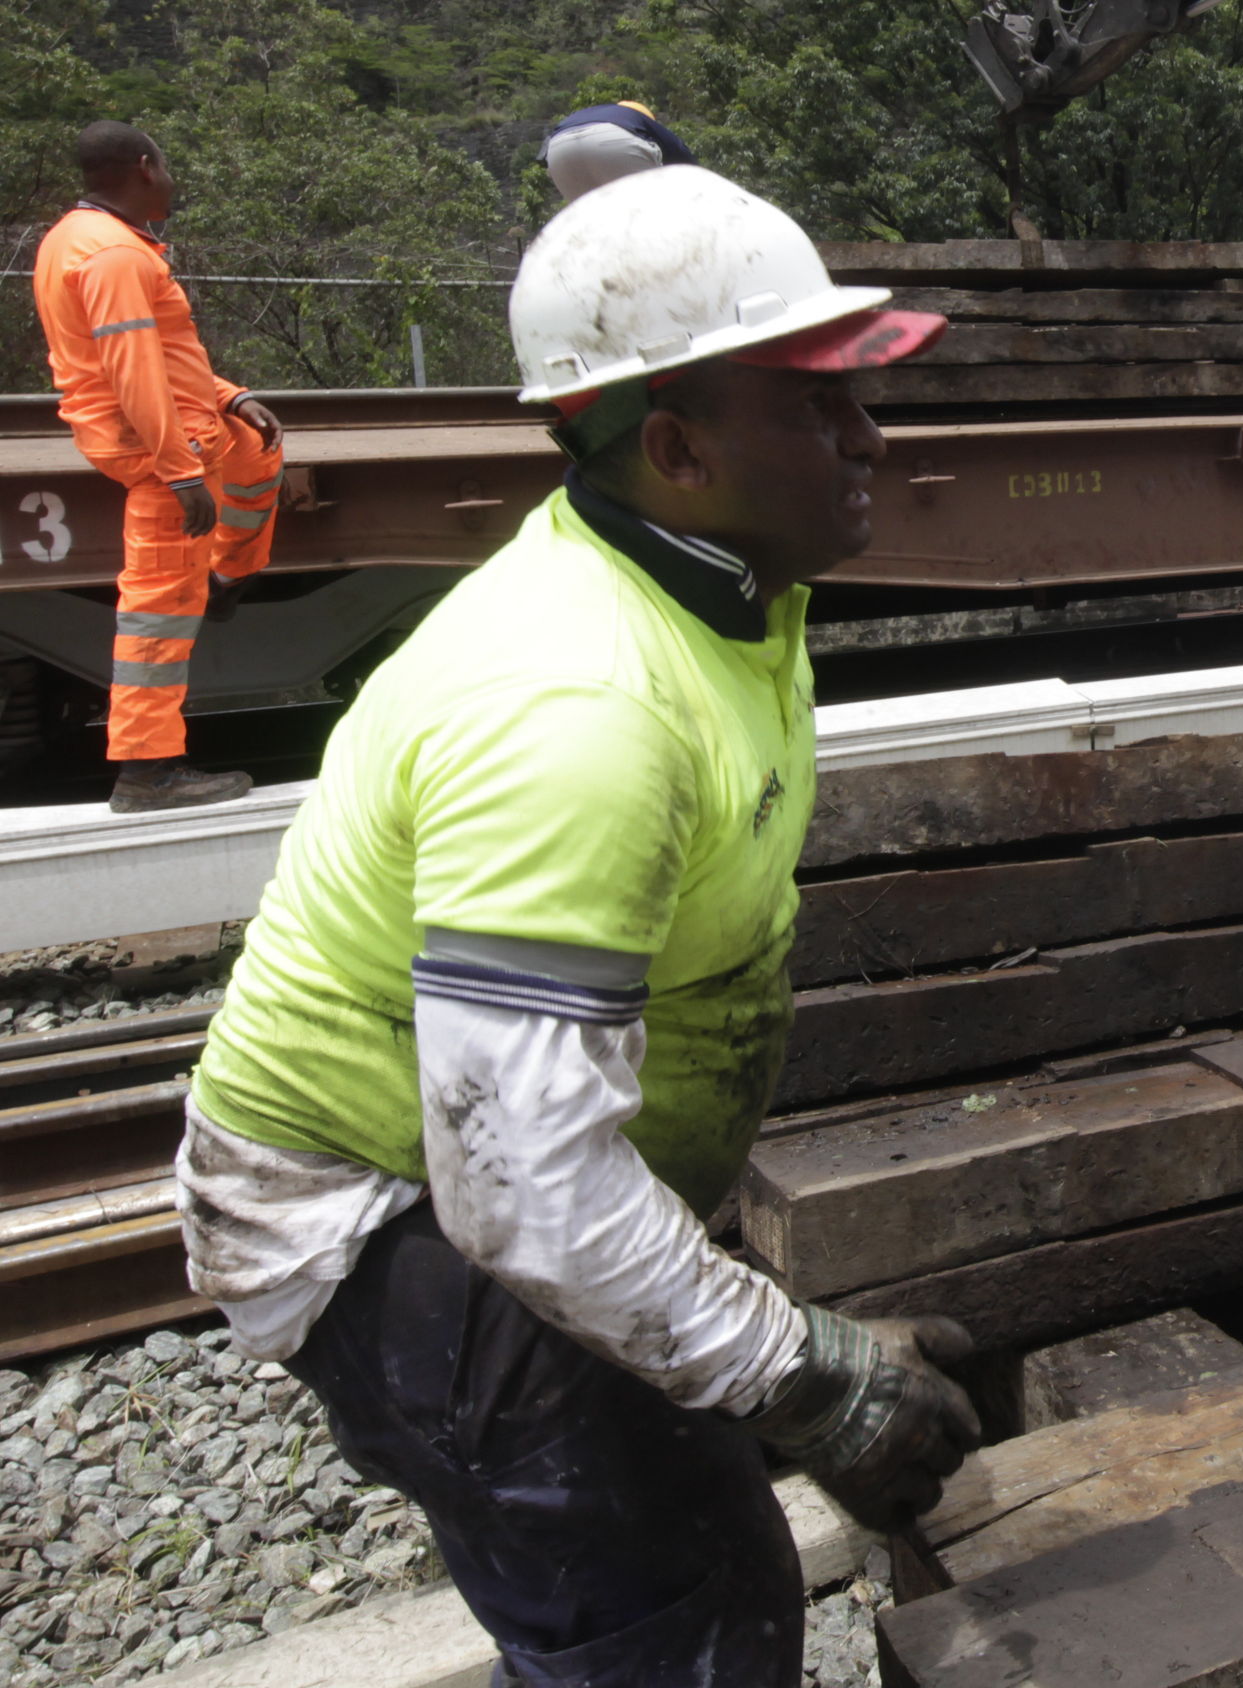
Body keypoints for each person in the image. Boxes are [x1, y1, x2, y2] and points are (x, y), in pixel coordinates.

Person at [174, 167, 976, 1684]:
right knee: (678, 1614)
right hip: (383, 1212)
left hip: (486, 1165)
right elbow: (523, 1191)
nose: (874, 436)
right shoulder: (575, 707)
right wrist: (810, 1378)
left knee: (699, 1537)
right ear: (676, 447)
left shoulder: (727, 585)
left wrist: (749, 1346)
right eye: (820, 407)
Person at [29, 121, 283, 811]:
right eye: (167, 167)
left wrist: (230, 395)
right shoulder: (113, 257)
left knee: (259, 449)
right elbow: (131, 368)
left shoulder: (79, 239)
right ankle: (148, 771)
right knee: (159, 612)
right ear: (145, 168)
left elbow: (161, 352)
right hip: (159, 445)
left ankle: (227, 576)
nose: (172, 180)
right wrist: (177, 471)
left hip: (179, 425)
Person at [544, 97, 696, 201]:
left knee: (590, 221)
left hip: (558, 146)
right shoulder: (638, 118)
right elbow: (683, 157)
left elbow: (541, 158)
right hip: (613, 138)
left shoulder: (594, 113)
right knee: (650, 213)